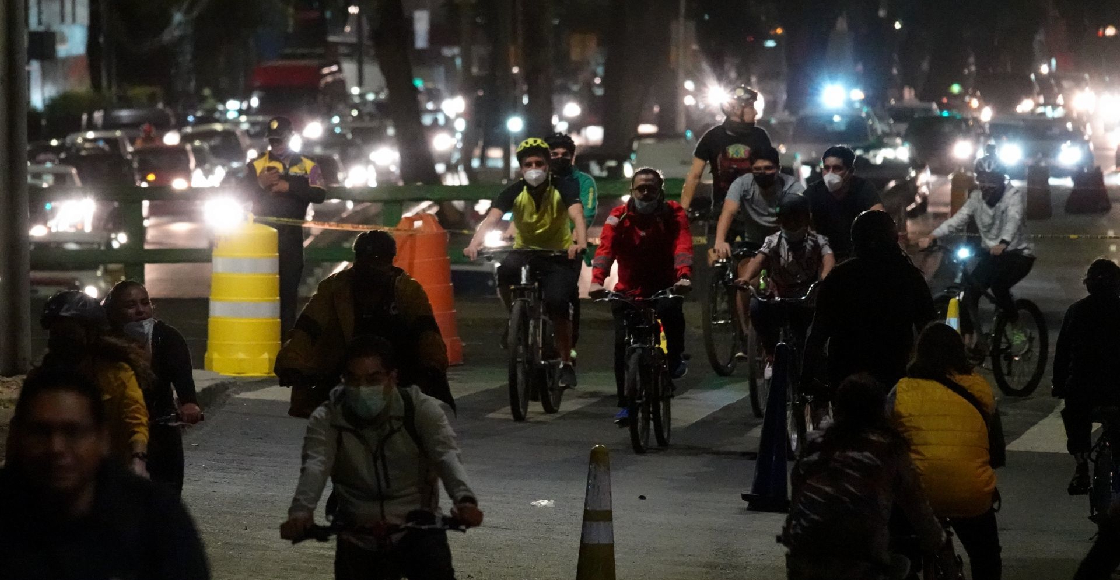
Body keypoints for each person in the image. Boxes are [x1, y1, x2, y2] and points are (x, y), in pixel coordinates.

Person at [280, 336, 483, 580]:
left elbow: (446, 456)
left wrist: (465, 500)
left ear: (392, 378)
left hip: (418, 528)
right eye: (353, 380)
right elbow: (315, 465)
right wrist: (300, 513)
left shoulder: (419, 410)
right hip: (357, 532)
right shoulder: (328, 418)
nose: (362, 388)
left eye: (373, 379)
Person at [0, 369, 210, 580]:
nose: (56, 448)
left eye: (73, 433)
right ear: (18, 436)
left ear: (102, 438)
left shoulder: (156, 520)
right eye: (41, 432)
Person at [782, 374, 950, 580]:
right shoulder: (888, 449)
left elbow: (795, 511)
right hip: (860, 568)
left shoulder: (814, 446)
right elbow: (920, 514)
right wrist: (939, 541)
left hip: (804, 565)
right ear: (881, 410)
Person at [276, 230, 453, 418]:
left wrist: (432, 364)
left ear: (390, 260)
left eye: (378, 259)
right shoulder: (335, 288)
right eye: (366, 258)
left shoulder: (406, 289)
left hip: (394, 372)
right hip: (344, 371)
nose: (371, 267)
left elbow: (425, 330)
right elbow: (308, 328)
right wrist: (291, 363)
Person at [463, 137, 588, 387]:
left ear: (547, 165)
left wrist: (580, 242)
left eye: (539, 163)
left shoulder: (563, 187)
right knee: (505, 274)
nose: (534, 169)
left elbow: (577, 215)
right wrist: (475, 243)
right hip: (524, 251)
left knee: (558, 303)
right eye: (528, 164)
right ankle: (515, 320)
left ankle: (566, 362)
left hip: (557, 254)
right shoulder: (514, 190)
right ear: (521, 168)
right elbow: (492, 218)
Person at [891, 323, 1002, 580]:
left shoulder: (902, 390)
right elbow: (996, 452)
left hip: (916, 494)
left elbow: (886, 442)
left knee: (895, 546)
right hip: (969, 491)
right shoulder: (981, 389)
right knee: (986, 554)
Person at [588, 167, 693, 425]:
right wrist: (596, 281)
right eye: (640, 188)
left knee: (671, 314)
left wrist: (683, 276)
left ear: (660, 191)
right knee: (622, 346)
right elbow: (605, 250)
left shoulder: (673, 213)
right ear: (632, 191)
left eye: (651, 188)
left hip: (665, 286)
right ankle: (625, 404)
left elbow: (682, 244)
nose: (646, 193)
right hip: (628, 291)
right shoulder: (618, 216)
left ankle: (675, 357)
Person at [803, 211, 935, 398]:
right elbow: (928, 329)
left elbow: (818, 333)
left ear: (855, 240)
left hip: (843, 375)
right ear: (894, 238)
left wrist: (807, 378)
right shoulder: (908, 275)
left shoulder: (839, 277)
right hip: (893, 374)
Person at [32, 291, 150, 477]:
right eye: (57, 332)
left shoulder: (116, 374)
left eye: (70, 332)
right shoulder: (41, 378)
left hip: (109, 470)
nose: (63, 339)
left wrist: (138, 459)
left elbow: (135, 419)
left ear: (91, 333)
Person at [920, 155, 1032, 351]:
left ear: (1001, 179)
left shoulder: (1013, 196)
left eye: (993, 179)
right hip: (993, 254)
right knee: (969, 292)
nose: (987, 185)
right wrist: (932, 236)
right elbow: (958, 220)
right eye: (983, 179)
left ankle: (1017, 332)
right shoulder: (976, 198)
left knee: (999, 286)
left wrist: (1004, 243)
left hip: (1018, 254)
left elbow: (1013, 220)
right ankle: (974, 339)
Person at [104, 281, 203, 498]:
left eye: (144, 303)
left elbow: (183, 378)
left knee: (168, 493)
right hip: (121, 428)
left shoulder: (167, 337)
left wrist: (189, 403)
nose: (140, 311)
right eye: (130, 306)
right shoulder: (106, 344)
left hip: (162, 424)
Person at [714, 147, 807, 343]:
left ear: (778, 168)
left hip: (784, 241)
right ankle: (747, 333)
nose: (762, 173)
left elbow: (804, 216)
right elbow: (729, 212)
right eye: (757, 169)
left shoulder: (792, 187)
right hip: (754, 242)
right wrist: (720, 241)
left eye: (768, 168)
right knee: (747, 281)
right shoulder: (742, 184)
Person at [245, 115, 327, 336]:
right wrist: (260, 184)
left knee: (288, 294)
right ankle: (262, 339)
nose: (277, 145)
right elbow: (239, 193)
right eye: (273, 141)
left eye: (280, 140)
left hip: (291, 237)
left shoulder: (308, 164)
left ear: (291, 137)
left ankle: (286, 343)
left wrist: (288, 186)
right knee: (261, 292)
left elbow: (320, 193)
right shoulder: (256, 165)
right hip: (261, 239)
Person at [737, 195, 834, 367]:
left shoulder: (818, 240)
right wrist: (746, 277)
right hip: (778, 296)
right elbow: (759, 259)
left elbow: (828, 258)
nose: (793, 223)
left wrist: (826, 277)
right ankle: (770, 354)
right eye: (787, 219)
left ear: (806, 218)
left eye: (797, 218)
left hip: (806, 297)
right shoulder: (773, 241)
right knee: (757, 307)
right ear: (780, 220)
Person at [1053, 259, 1120, 495]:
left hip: (1083, 391)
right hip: (1115, 392)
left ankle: (1081, 466)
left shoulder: (1077, 311)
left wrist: (1058, 385)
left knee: (1075, 416)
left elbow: (1062, 354)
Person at [680, 84, 773, 214]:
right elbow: (694, 175)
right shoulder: (713, 137)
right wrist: (683, 211)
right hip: (726, 212)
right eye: (751, 107)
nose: (756, 112)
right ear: (735, 109)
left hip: (754, 212)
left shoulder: (760, 136)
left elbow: (770, 174)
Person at [546, 132, 598, 361]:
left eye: (564, 154)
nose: (559, 158)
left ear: (572, 157)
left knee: (566, 293)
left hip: (570, 246)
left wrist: (577, 237)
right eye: (553, 154)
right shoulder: (538, 179)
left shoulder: (583, 181)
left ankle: (569, 345)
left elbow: (586, 213)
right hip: (539, 244)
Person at [804, 146, 885, 262]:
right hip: (823, 255)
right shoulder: (814, 191)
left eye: (837, 168)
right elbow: (799, 219)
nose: (830, 173)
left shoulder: (863, 188)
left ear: (850, 171)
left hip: (858, 255)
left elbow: (880, 219)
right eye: (826, 168)